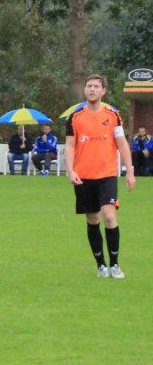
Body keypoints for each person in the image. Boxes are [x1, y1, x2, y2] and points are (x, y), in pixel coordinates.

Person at [65, 74, 136, 279]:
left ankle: (115, 264)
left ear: (103, 91)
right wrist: (71, 170)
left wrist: (130, 171)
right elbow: (70, 145)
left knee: (109, 216)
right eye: (89, 86)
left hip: (107, 175)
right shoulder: (75, 117)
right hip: (84, 176)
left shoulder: (113, 115)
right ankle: (101, 265)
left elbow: (122, 144)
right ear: (84, 90)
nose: (92, 89)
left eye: (96, 86)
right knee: (93, 219)